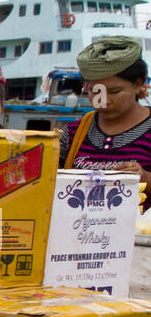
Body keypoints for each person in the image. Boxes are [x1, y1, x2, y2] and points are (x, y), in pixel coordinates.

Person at [60, 36, 151, 204]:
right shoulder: (71, 135)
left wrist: (146, 178)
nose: (103, 100)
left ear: (138, 84)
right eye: (95, 92)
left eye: (114, 91)